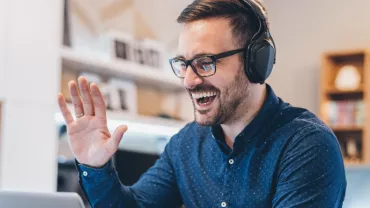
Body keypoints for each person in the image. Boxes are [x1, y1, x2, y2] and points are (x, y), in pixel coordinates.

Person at [57, 0, 347, 207]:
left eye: (205, 63)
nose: (189, 80)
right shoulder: (185, 146)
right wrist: (94, 166)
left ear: (255, 61)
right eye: (184, 64)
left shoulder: (307, 145)